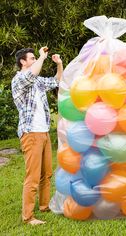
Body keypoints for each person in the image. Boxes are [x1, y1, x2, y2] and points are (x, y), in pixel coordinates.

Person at [11, 46, 63, 225]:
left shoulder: (37, 81)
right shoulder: (19, 80)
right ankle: (28, 217)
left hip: (44, 132)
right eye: (32, 58)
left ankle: (44, 206)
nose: (35, 60)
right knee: (32, 177)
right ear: (23, 62)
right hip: (31, 133)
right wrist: (42, 56)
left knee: (46, 173)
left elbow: (56, 81)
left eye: (35, 58)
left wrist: (59, 64)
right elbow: (31, 75)